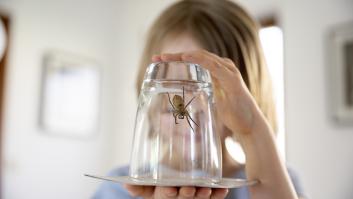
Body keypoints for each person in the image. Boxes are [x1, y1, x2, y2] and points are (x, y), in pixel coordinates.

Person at [94, 0, 307, 198]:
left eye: (212, 96)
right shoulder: (117, 191)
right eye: (170, 95)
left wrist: (254, 131)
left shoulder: (276, 179)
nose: (195, 114)